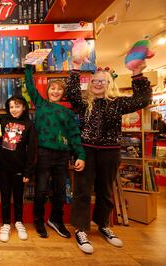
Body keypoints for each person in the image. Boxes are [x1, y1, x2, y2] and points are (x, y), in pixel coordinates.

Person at [66, 62, 151, 254]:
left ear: (109, 84)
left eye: (102, 81)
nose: (98, 83)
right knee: (82, 191)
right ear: (90, 84)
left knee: (105, 190)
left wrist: (137, 73)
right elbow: (71, 93)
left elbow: (142, 100)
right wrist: (76, 67)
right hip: (85, 151)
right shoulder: (82, 102)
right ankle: (81, 229)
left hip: (110, 152)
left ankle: (103, 224)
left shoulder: (118, 103)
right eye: (94, 80)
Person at [24, 60, 86, 239]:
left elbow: (74, 134)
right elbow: (30, 86)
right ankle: (38, 220)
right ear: (47, 90)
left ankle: (56, 220)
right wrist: (29, 67)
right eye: (53, 88)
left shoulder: (68, 112)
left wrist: (80, 154)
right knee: (41, 189)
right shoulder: (41, 104)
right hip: (43, 153)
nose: (56, 91)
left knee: (60, 190)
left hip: (62, 156)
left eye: (59, 89)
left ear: (63, 93)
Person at [0, 92, 37, 242]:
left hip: (19, 168)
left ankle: (18, 222)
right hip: (3, 166)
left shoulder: (29, 125)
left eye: (17, 106)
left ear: (24, 107)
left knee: (18, 197)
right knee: (4, 196)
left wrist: (28, 171)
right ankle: (6, 223)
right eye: (11, 106)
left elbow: (32, 150)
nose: (14, 109)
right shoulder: (3, 119)